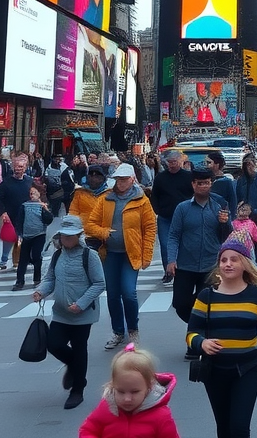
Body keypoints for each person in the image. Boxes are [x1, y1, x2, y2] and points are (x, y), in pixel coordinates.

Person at [186, 237, 257, 438]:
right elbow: (191, 334)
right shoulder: (206, 296)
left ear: (245, 265)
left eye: (234, 260)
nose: (228, 264)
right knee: (223, 425)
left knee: (239, 426)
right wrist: (202, 343)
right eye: (223, 260)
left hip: (247, 370)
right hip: (215, 372)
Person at [34, 213, 106, 410]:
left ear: (79, 235)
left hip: (83, 314)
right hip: (61, 312)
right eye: (63, 236)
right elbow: (50, 278)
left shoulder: (89, 255)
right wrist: (41, 291)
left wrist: (81, 303)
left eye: (70, 236)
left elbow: (100, 283)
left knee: (79, 347)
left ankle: (77, 389)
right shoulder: (57, 255)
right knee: (54, 344)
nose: (65, 240)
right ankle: (75, 368)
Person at [86, 162, 157, 350]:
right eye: (118, 179)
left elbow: (150, 228)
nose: (121, 183)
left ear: (133, 179)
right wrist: (103, 232)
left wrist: (146, 255)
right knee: (112, 295)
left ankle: (133, 329)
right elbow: (90, 224)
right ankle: (118, 331)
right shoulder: (105, 199)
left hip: (131, 253)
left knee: (129, 293)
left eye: (124, 179)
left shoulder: (142, 201)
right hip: (110, 253)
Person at [166, 168, 231, 349]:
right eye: (199, 183)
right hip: (186, 265)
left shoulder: (219, 206)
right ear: (193, 184)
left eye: (207, 182)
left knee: (206, 305)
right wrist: (171, 260)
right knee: (180, 304)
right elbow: (173, 235)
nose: (203, 186)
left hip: (210, 265)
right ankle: (199, 330)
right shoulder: (183, 208)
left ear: (211, 183)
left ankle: (197, 342)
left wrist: (224, 223)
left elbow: (227, 236)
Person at [78, 344, 182, 438]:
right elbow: (88, 431)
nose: (127, 399)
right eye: (121, 391)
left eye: (135, 392)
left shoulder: (161, 416)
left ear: (149, 387)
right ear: (113, 385)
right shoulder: (107, 407)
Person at [150, 150, 193, 284]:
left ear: (180, 162)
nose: (171, 165)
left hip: (184, 217)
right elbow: (154, 195)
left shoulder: (188, 177)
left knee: (184, 244)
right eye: (169, 162)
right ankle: (168, 271)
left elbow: (194, 195)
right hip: (165, 217)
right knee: (165, 245)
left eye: (174, 162)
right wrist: (158, 210)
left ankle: (182, 270)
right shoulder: (161, 178)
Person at [15, 183, 53, 290]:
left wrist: (45, 210)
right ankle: (19, 281)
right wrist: (19, 234)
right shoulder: (24, 205)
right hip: (26, 235)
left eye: (34, 193)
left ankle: (37, 279)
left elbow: (49, 220)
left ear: (39, 194)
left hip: (39, 234)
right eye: (30, 193)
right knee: (23, 259)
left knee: (37, 256)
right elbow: (20, 220)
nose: (32, 195)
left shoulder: (42, 205)